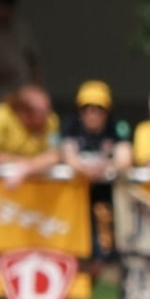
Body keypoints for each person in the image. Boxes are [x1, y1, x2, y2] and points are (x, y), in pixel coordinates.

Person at [60, 81, 131, 266]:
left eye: (99, 109)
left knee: (106, 242)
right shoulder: (71, 125)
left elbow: (125, 158)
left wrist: (106, 167)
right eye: (87, 109)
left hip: (106, 195)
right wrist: (85, 169)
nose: (92, 114)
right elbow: (67, 154)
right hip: (77, 194)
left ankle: (105, 263)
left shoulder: (117, 126)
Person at [0, 84, 62, 183]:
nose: (47, 117)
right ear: (24, 113)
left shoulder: (51, 120)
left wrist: (27, 168)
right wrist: (20, 163)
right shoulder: (1, 116)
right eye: (41, 114)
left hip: (37, 184)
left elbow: (55, 155)